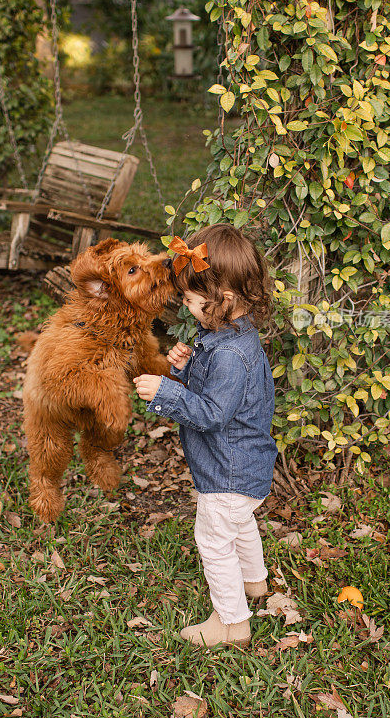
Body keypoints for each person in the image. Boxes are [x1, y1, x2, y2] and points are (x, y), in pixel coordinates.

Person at [133, 224, 278, 648]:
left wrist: (167, 392)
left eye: (194, 302)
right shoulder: (227, 335)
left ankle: (231, 624)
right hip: (245, 466)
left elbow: (213, 413)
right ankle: (255, 582)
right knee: (241, 525)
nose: (189, 308)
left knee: (214, 541)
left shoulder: (231, 354)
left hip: (228, 471)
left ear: (223, 300)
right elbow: (214, 387)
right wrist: (182, 365)